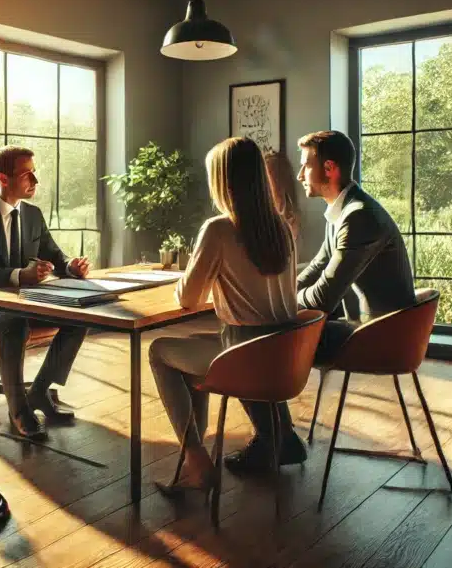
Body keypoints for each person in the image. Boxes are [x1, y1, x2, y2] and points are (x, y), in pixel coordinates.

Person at [226, 130, 416, 474]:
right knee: (261, 332)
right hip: (374, 330)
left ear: (329, 168)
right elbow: (315, 270)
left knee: (252, 337)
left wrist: (276, 306)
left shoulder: (358, 217)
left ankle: (275, 441)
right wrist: (277, 294)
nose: (299, 175)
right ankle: (279, 438)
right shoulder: (344, 211)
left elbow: (326, 294)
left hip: (381, 339)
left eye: (305, 166)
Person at [148, 136, 300, 495]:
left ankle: (196, 460)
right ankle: (204, 457)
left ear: (223, 182)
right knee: (185, 355)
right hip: (284, 356)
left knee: (159, 352)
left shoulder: (219, 229)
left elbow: (188, 298)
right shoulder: (282, 228)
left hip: (243, 357)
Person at [0, 145, 92, 440]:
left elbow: (55, 255)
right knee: (13, 324)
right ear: (4, 179)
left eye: (34, 172)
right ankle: (19, 411)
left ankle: (40, 392)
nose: (35, 180)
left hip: (28, 304)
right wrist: (19, 275)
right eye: (27, 174)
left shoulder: (32, 215)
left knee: (79, 318)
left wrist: (71, 266)